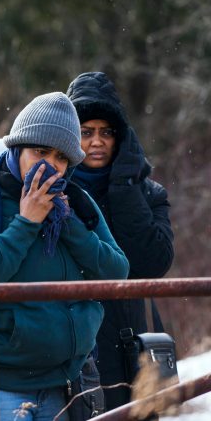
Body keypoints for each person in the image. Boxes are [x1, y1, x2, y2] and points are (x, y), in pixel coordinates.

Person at [0, 92, 130, 421]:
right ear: (17, 149)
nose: (50, 164)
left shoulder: (77, 203)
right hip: (3, 384)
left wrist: (70, 225)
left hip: (70, 381)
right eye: (40, 151)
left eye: (61, 157)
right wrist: (26, 223)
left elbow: (116, 272)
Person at [67, 72, 174, 411]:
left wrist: (124, 186)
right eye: (85, 132)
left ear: (121, 138)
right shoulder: (48, 193)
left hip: (131, 346)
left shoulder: (147, 193)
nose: (97, 141)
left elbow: (152, 263)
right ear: (70, 136)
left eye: (107, 132)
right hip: (68, 348)